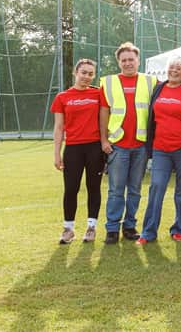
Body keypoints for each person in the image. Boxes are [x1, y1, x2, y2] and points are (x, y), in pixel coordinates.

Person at [136, 57, 181, 245]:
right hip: (160, 148)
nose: (174, 71)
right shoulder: (158, 89)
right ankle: (148, 232)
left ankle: (179, 229)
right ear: (166, 70)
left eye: (179, 68)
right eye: (171, 67)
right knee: (157, 187)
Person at [99, 42, 158, 244]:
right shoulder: (108, 83)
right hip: (118, 144)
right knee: (116, 189)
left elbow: (170, 89)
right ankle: (112, 229)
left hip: (140, 145)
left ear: (138, 60)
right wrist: (104, 139)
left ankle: (130, 226)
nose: (127, 63)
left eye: (131, 59)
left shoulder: (151, 81)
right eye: (123, 60)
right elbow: (104, 112)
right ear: (118, 62)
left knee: (134, 189)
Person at [51, 58, 105, 244]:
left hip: (95, 148)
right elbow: (59, 128)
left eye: (91, 74)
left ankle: (91, 228)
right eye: (83, 72)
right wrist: (57, 153)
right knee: (71, 189)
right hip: (73, 148)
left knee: (93, 187)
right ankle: (68, 229)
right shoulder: (62, 97)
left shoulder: (99, 94)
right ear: (75, 73)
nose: (87, 77)